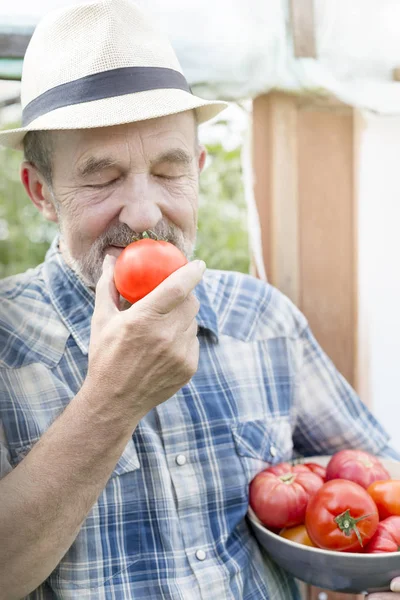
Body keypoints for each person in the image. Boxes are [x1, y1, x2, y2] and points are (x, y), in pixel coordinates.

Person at [0, 1, 398, 598]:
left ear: (200, 169)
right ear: (42, 192)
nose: (143, 213)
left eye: (169, 170)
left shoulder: (261, 319)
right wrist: (110, 402)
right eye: (102, 178)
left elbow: (380, 482)